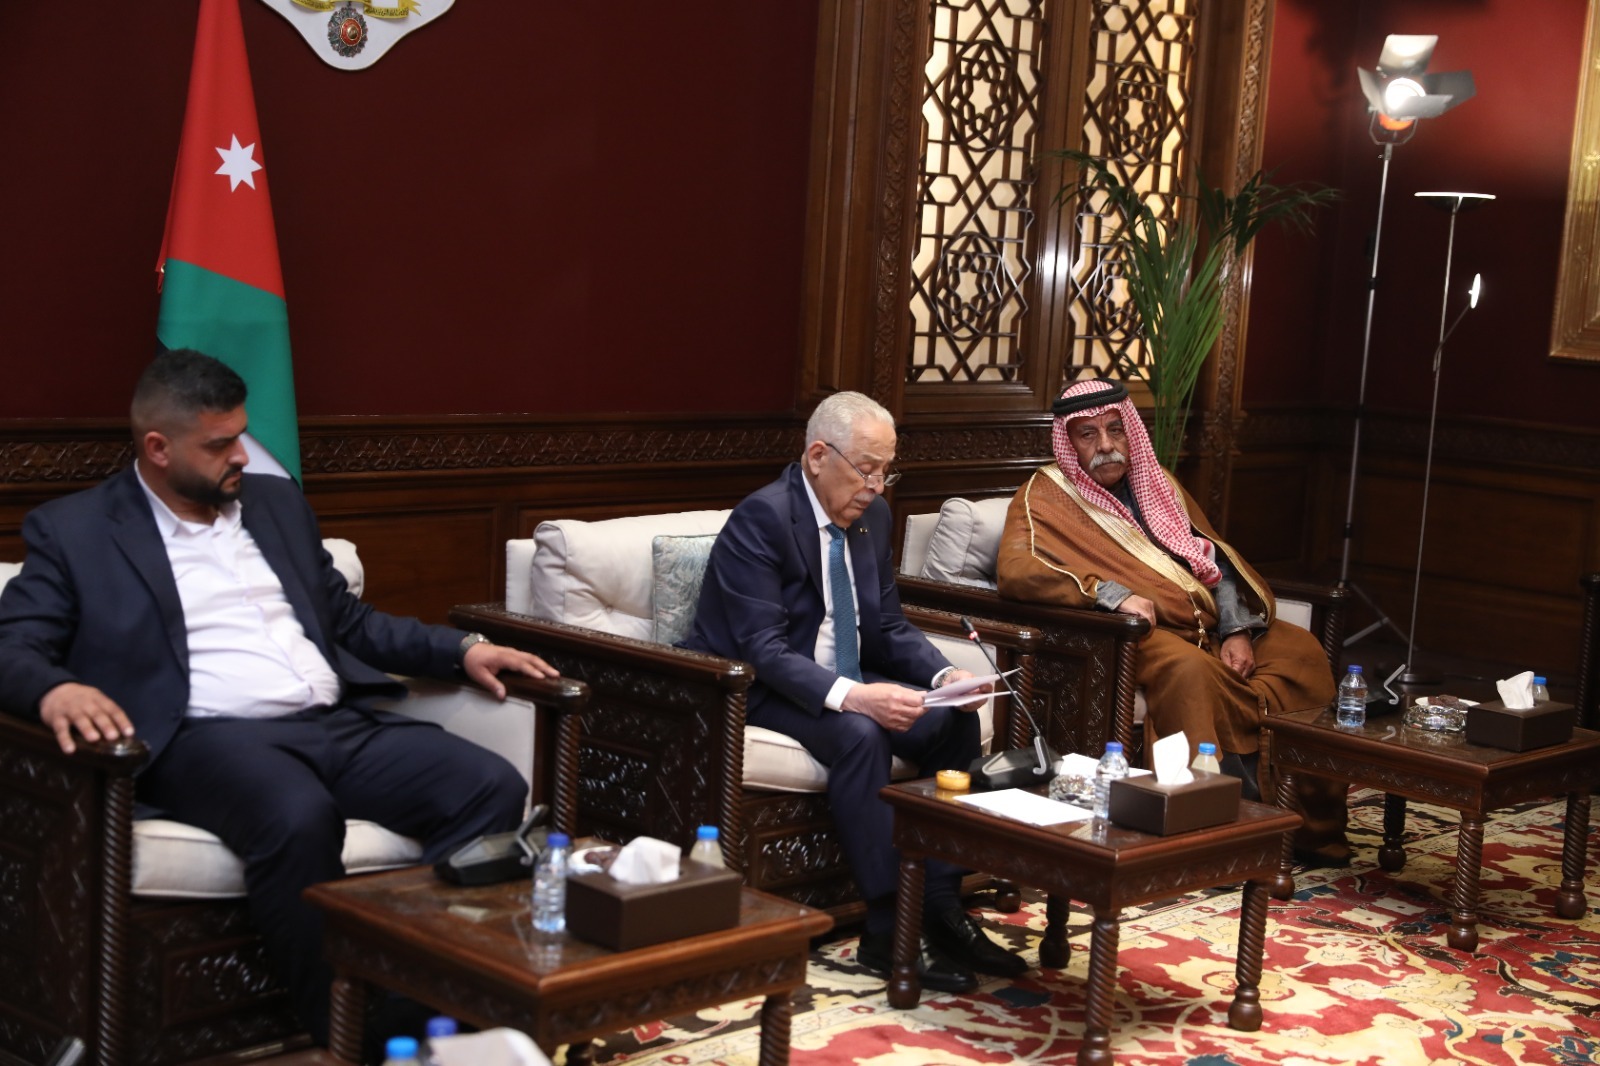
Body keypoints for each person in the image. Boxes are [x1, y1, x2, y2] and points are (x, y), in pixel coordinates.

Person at [0, 350, 558, 1043]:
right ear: (158, 448)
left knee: (486, 785)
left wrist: (462, 649)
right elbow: (13, 645)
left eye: (240, 435)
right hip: (207, 738)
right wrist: (56, 688)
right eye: (219, 444)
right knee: (297, 816)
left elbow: (348, 620)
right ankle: (347, 1032)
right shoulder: (76, 530)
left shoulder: (274, 503)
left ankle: (419, 993)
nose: (241, 455)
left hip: (334, 723)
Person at [685, 391, 1025, 992]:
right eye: (866, 469)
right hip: (751, 687)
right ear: (818, 456)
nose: (877, 485)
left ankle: (941, 907)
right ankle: (887, 928)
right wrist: (858, 697)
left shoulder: (873, 518)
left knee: (955, 722)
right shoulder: (762, 518)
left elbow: (886, 625)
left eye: (886, 470)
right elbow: (763, 650)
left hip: (840, 673)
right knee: (861, 733)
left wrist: (944, 676)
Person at [995, 378, 1350, 864]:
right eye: (1088, 434)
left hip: (1210, 626)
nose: (1106, 445)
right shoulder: (1043, 496)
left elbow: (1213, 560)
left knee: (1301, 653)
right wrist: (1111, 595)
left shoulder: (1159, 481)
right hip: (1140, 633)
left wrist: (1236, 629)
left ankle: (1310, 829)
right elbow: (1018, 571)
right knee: (1191, 673)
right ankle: (1216, 836)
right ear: (1068, 442)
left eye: (1116, 429)